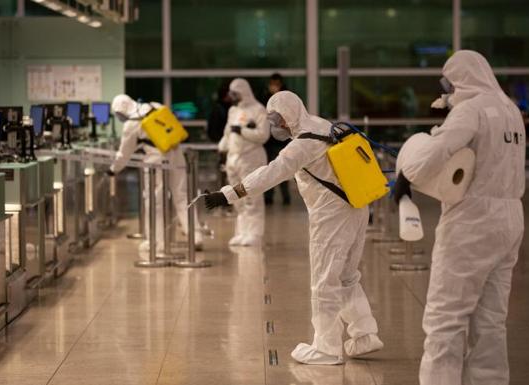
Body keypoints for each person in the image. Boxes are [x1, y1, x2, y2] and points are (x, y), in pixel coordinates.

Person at [204, 91, 383, 365]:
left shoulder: (301, 145)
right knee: (346, 276)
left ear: (290, 115)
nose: (276, 125)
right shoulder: (324, 125)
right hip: (357, 205)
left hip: (332, 215)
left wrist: (227, 194)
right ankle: (364, 335)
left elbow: (270, 174)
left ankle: (326, 347)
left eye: (278, 119)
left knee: (324, 281)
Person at [395, 50, 525, 385]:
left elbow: (435, 156)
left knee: (446, 315)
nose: (447, 88)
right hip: (510, 217)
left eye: (448, 82)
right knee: (492, 317)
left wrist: (406, 172)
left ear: (460, 78)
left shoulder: (471, 111)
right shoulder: (510, 109)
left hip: (473, 221)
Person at [107, 94, 203, 254]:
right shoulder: (155, 105)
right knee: (182, 196)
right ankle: (195, 236)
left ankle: (157, 243)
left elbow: (124, 154)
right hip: (176, 152)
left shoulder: (131, 124)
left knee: (154, 202)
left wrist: (113, 169)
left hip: (156, 160)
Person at [217, 78, 270, 246]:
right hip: (234, 159)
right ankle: (242, 231)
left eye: (235, 93)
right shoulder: (233, 110)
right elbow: (227, 133)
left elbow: (263, 135)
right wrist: (222, 147)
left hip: (251, 158)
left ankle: (254, 233)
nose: (232, 96)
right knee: (236, 197)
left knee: (252, 196)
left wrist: (242, 131)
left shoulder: (259, 110)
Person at [262, 73, 292, 206]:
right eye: (272, 84)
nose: (273, 87)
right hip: (268, 141)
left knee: (284, 167)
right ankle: (269, 196)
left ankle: (286, 196)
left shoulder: (286, 99)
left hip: (283, 140)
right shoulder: (265, 99)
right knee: (269, 169)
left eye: (276, 84)